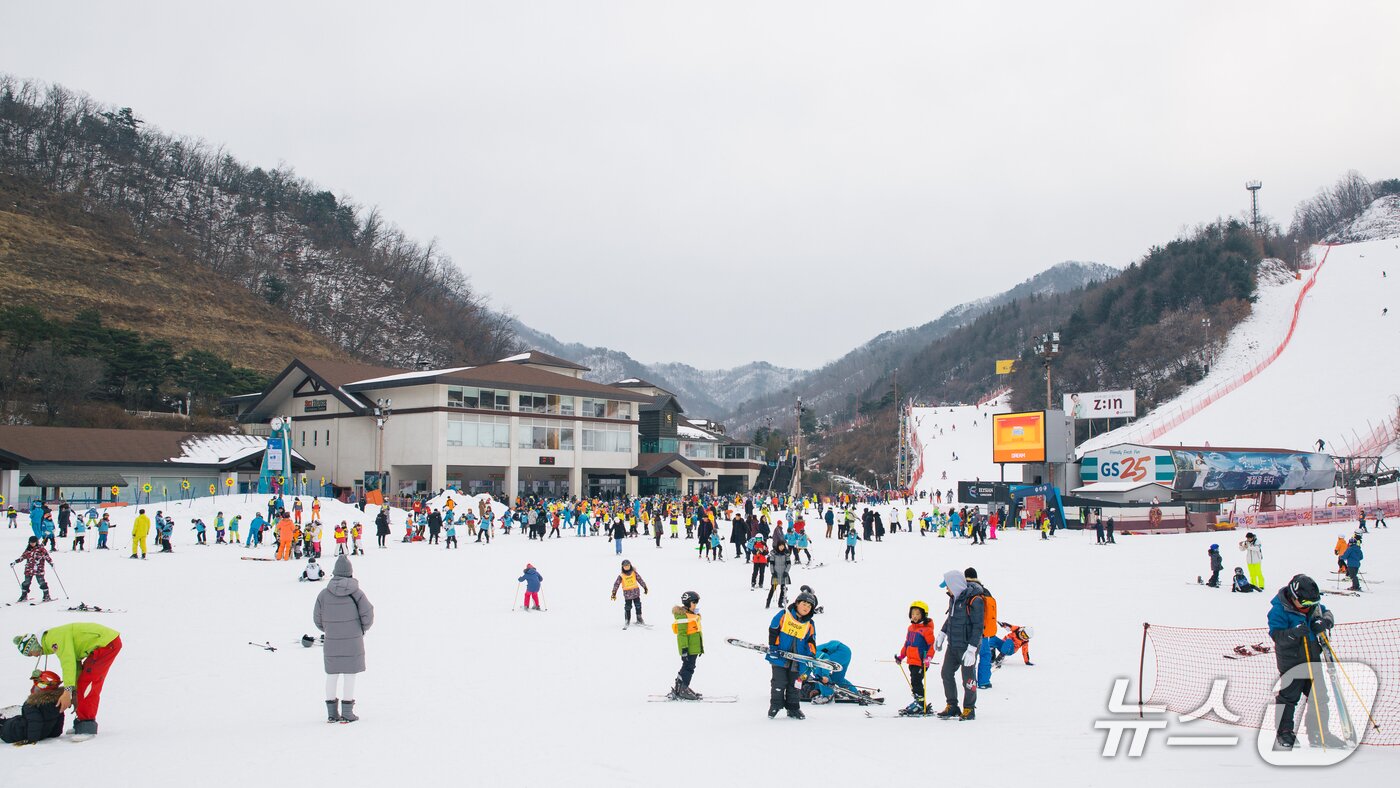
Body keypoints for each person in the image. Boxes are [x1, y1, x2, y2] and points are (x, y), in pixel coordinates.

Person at [1266, 574, 1344, 750]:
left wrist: (1323, 622)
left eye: (1312, 604)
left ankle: (1319, 733)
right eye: (1306, 604)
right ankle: (1284, 731)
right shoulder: (1279, 610)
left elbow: (1328, 613)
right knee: (1289, 697)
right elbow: (1276, 636)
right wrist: (1293, 633)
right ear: (1294, 597)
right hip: (1291, 661)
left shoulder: (1313, 607)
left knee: (1320, 697)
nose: (1308, 608)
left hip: (1313, 659)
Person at [13, 622, 122, 737]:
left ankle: (87, 726)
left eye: (30, 653)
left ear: (33, 645)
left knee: (88, 683)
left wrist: (67, 691)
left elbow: (68, 663)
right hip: (106, 643)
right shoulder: (51, 638)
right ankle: (81, 722)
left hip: (107, 643)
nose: (35, 656)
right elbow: (75, 664)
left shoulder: (53, 639)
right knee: (82, 682)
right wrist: (74, 689)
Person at [313, 555, 374, 723]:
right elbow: (368, 614)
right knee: (349, 674)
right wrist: (361, 629)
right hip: (353, 639)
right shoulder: (357, 593)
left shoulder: (324, 594)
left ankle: (332, 713)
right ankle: (348, 712)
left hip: (332, 639)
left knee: (331, 675)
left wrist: (329, 629)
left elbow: (317, 618)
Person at [766, 587, 819, 720]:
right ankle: (775, 705)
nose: (806, 607)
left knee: (795, 684)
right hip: (780, 656)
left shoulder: (810, 624)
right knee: (779, 682)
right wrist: (773, 647)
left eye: (809, 606)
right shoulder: (785, 614)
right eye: (804, 604)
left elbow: (811, 640)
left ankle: (793, 708)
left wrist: (811, 655)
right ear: (797, 603)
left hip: (798, 659)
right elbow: (774, 629)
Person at [936, 569, 982, 720]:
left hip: (967, 647)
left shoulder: (975, 600)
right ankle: (952, 705)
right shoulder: (954, 598)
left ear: (954, 584)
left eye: (947, 586)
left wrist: (972, 648)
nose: (946, 589)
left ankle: (969, 709)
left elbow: (978, 626)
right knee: (946, 673)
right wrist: (943, 633)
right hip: (953, 645)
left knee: (968, 679)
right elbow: (951, 618)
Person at [0, 669, 65, 745]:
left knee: (9, 724)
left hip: (14, 733)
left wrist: (32, 740)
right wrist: (52, 734)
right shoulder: (58, 702)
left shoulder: (32, 704)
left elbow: (35, 721)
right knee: (14, 719)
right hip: (40, 732)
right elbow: (59, 722)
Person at [894, 601, 937, 715]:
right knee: (914, 682)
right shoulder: (911, 628)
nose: (915, 616)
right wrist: (901, 656)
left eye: (918, 614)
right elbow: (907, 644)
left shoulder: (927, 630)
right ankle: (919, 702)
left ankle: (920, 704)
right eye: (913, 614)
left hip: (921, 661)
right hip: (912, 661)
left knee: (916, 681)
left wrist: (928, 658)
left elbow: (932, 646)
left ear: (924, 615)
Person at [669, 590, 705, 700]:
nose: (695, 605)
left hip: (693, 648)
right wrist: (684, 649)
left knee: (689, 667)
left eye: (696, 603)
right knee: (688, 668)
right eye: (694, 603)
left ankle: (682, 687)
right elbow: (682, 635)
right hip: (688, 648)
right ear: (688, 603)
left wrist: (699, 648)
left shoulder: (691, 615)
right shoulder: (683, 617)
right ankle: (682, 689)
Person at [805, 640, 861, 705]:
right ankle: (855, 693)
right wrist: (817, 690)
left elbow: (825, 660)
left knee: (820, 669)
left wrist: (825, 675)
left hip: (840, 650)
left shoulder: (811, 653)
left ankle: (827, 696)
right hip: (846, 652)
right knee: (837, 679)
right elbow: (810, 673)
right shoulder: (807, 662)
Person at [11, 536, 54, 603]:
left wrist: (51, 563)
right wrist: (15, 562)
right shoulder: (28, 549)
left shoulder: (41, 549)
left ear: (36, 542)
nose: (32, 544)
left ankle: (46, 595)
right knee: (26, 582)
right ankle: (24, 595)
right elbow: (22, 557)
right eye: (31, 542)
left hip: (38, 568)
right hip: (29, 569)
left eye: (33, 542)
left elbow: (47, 557)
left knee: (41, 582)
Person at [611, 559, 649, 628]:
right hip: (627, 595)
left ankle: (639, 618)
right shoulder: (621, 576)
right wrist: (614, 593)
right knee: (628, 607)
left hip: (636, 593)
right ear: (622, 567)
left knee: (638, 605)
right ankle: (627, 620)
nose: (626, 567)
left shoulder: (634, 573)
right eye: (625, 566)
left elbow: (640, 579)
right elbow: (616, 584)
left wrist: (645, 587)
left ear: (630, 565)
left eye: (627, 566)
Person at [766, 540, 793, 609]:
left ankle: (780, 603)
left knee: (783, 589)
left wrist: (786, 571)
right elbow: (771, 564)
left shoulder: (786, 553)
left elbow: (789, 564)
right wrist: (773, 572)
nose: (781, 547)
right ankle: (768, 602)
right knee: (773, 588)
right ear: (778, 546)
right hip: (776, 573)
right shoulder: (774, 553)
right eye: (780, 546)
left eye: (782, 546)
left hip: (783, 573)